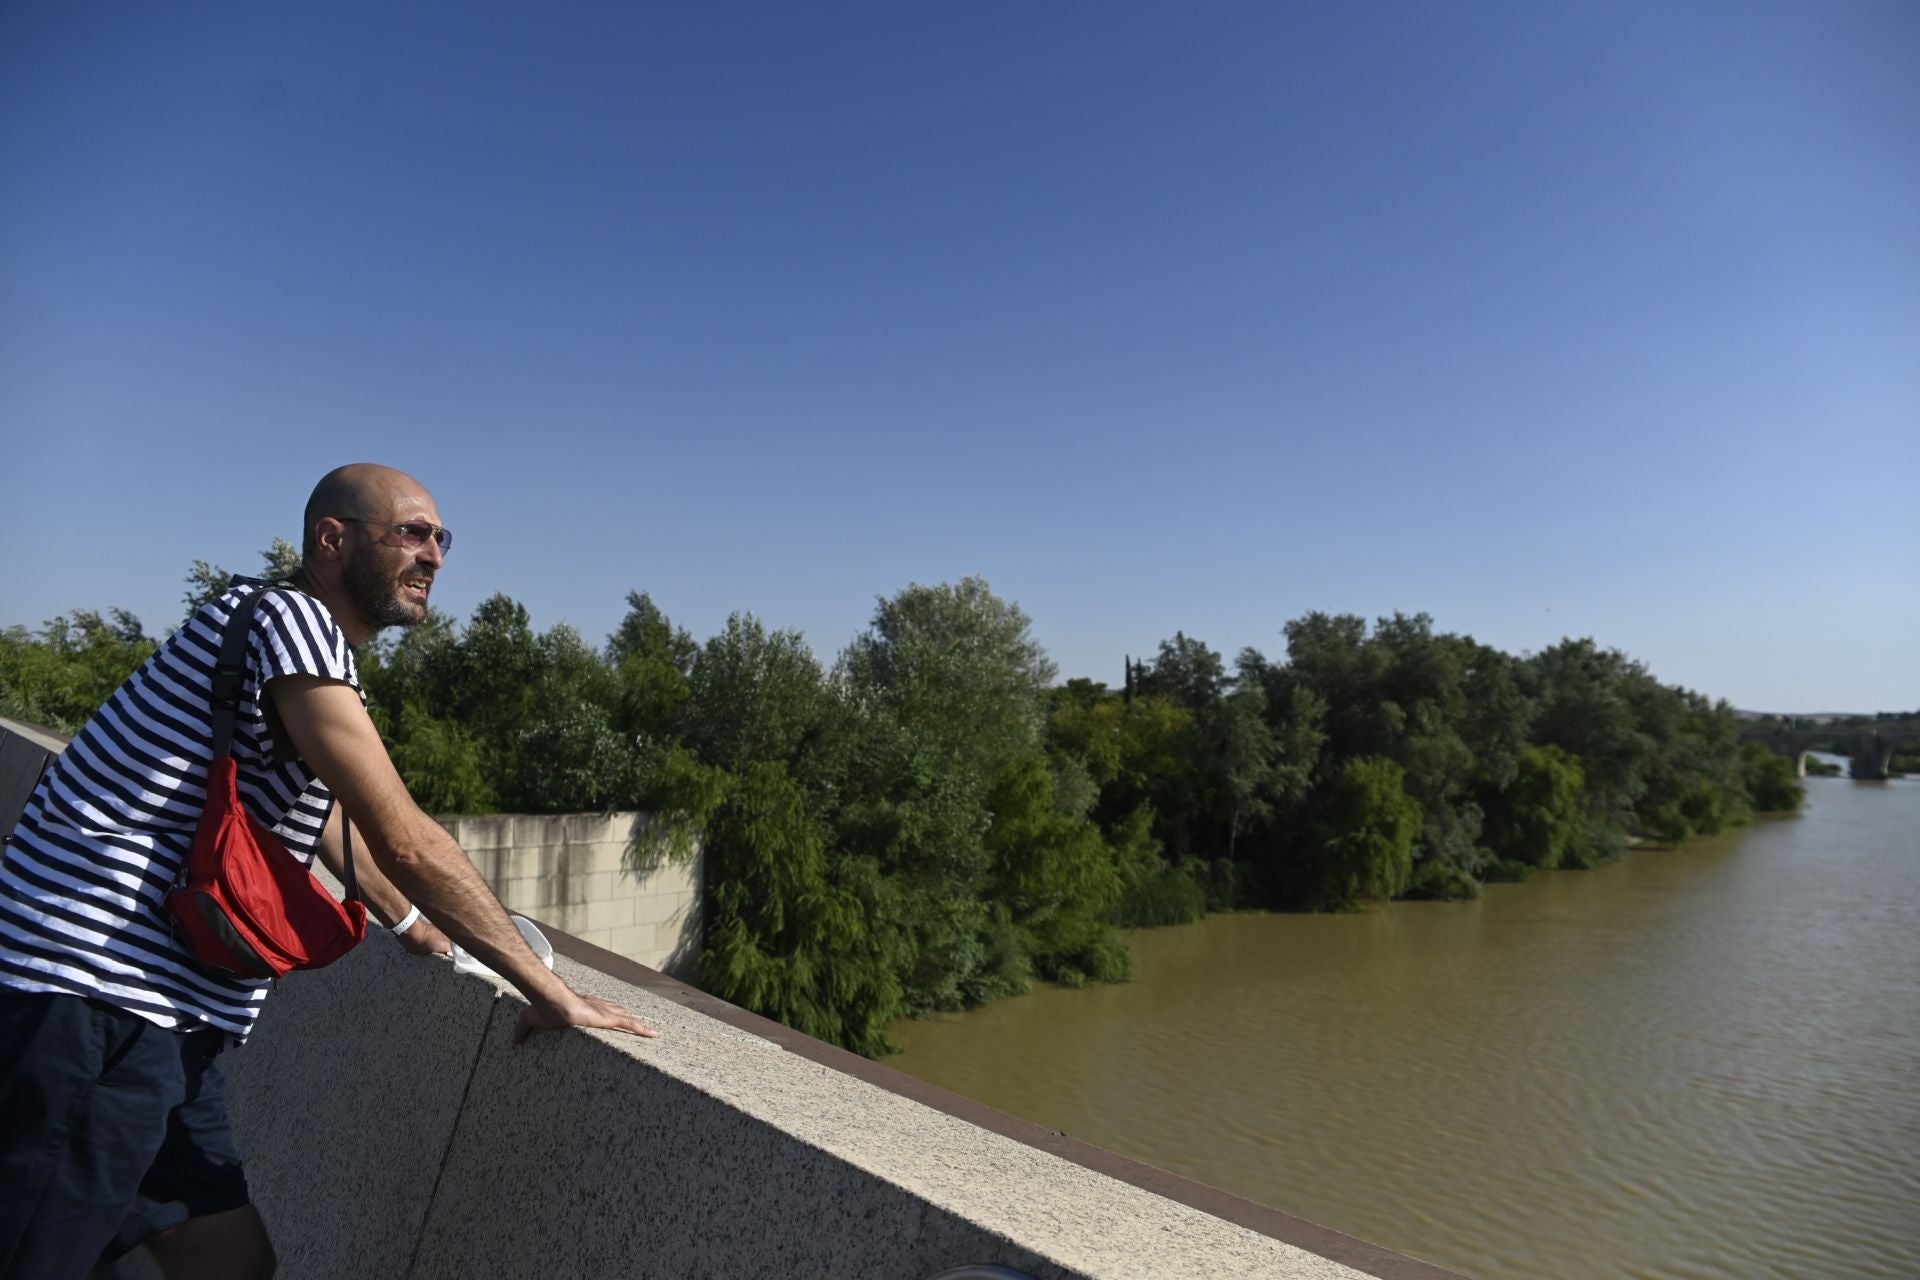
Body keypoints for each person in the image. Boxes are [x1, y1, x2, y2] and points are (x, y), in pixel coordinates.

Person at [0, 463, 656, 1280]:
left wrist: (413, 927)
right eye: (412, 533)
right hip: (96, 999)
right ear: (332, 539)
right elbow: (404, 836)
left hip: (166, 1018)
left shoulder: (268, 627)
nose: (435, 556)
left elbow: (324, 818)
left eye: (441, 539)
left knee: (231, 1260)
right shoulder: (296, 622)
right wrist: (548, 989)